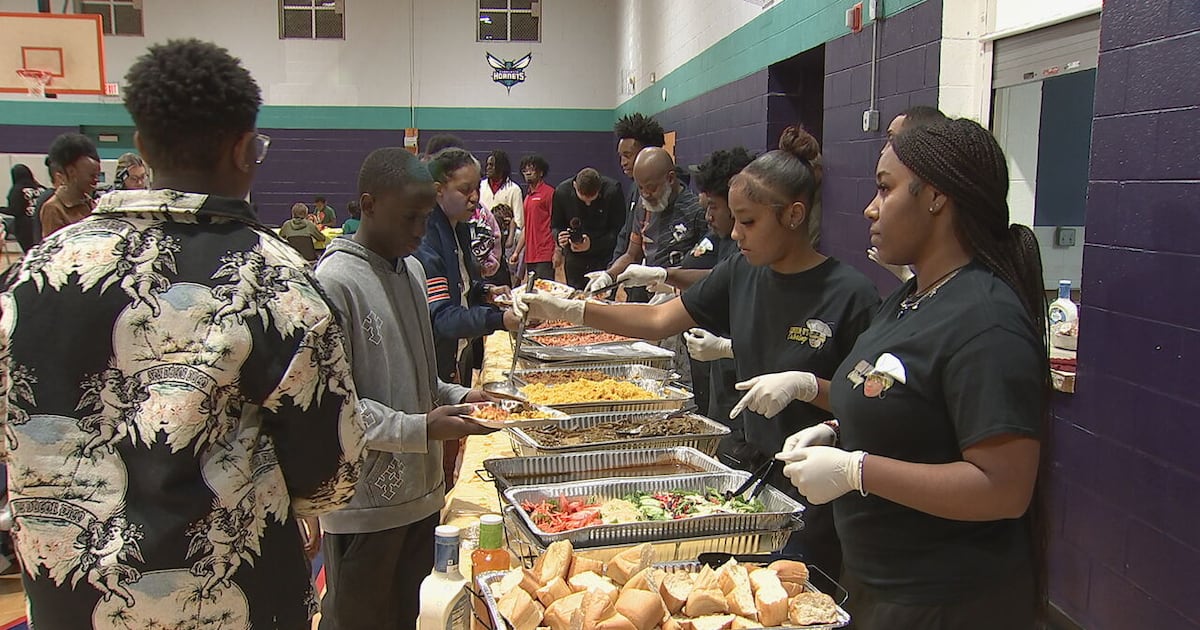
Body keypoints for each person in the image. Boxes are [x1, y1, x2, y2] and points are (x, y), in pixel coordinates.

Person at [0, 39, 365, 629]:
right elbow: (332, 478)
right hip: (229, 604)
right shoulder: (277, 286)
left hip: (75, 604)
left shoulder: (33, 276)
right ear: (248, 151)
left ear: (141, 147)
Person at [515, 127, 880, 578]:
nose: (737, 234)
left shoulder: (852, 295)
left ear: (794, 215)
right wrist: (573, 309)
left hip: (819, 484)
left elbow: (867, 407)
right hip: (754, 469)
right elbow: (657, 321)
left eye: (749, 222)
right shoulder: (743, 271)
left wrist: (806, 386)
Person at [773, 118, 1049, 629]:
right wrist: (834, 428)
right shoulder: (910, 298)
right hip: (880, 583)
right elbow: (908, 405)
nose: (869, 207)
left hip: (950, 601)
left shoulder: (985, 319)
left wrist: (857, 470)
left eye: (885, 187)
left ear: (936, 197)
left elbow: (1004, 489)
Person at [314, 147, 496, 630]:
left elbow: (417, 378)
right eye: (409, 218)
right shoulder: (334, 283)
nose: (419, 231)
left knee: (417, 619)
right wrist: (419, 427)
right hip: (366, 508)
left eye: (425, 217)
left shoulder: (411, 270)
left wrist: (460, 396)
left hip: (423, 494)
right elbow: (336, 407)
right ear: (369, 205)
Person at [616, 147, 756, 464]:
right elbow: (706, 274)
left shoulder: (750, 252)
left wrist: (730, 348)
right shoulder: (721, 238)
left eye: (714, 208)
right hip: (718, 369)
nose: (709, 217)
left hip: (744, 386)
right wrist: (667, 278)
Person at [416, 148, 519, 488]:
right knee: (437, 463)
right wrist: (499, 319)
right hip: (433, 360)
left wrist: (488, 293)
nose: (475, 197)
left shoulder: (456, 226)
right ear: (437, 189)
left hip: (452, 357)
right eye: (465, 190)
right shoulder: (428, 238)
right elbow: (442, 317)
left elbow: (462, 286)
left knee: (448, 454)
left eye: (477, 188)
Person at [585, 147, 707, 296]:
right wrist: (609, 276)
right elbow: (632, 255)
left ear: (670, 178)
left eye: (651, 188)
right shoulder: (643, 207)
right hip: (650, 294)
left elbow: (707, 268)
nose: (645, 194)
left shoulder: (696, 211)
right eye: (640, 187)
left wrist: (672, 287)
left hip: (684, 296)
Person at [870, 105, 950, 282]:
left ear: (935, 194)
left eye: (893, 139)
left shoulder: (976, 303)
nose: (884, 150)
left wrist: (906, 276)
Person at [612, 113, 666, 302]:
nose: (623, 162)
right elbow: (629, 240)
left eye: (627, 155)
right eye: (621, 156)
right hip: (639, 284)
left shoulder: (684, 205)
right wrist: (609, 275)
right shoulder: (634, 188)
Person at [550, 167, 626, 289]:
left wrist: (592, 244)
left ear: (600, 188)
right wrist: (560, 237)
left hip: (604, 258)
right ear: (574, 186)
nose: (588, 204)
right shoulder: (562, 192)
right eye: (584, 199)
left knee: (604, 300)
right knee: (576, 300)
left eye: (592, 199)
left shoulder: (613, 190)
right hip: (575, 261)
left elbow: (619, 231)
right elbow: (555, 226)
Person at [39, 132, 101, 237]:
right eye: (92, 175)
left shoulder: (89, 202)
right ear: (71, 172)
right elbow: (55, 250)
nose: (96, 180)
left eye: (98, 175)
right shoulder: (53, 209)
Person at [514, 154, 555, 281]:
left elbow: (556, 223)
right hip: (530, 255)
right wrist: (517, 251)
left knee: (545, 292)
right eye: (525, 170)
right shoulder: (527, 197)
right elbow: (527, 227)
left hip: (545, 254)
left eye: (531, 169)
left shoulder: (549, 193)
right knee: (533, 292)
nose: (528, 172)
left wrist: (557, 251)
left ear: (541, 172)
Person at [480, 150, 525, 254]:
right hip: (483, 234)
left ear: (501, 167)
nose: (488, 168)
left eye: (491, 165)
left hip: (506, 236)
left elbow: (519, 221)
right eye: (487, 165)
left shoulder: (514, 189)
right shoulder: (480, 186)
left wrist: (509, 224)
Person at [5, 164, 46, 251]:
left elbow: (15, 211)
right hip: (42, 224)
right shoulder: (41, 188)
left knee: (30, 254)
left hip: (26, 227)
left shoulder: (17, 190)